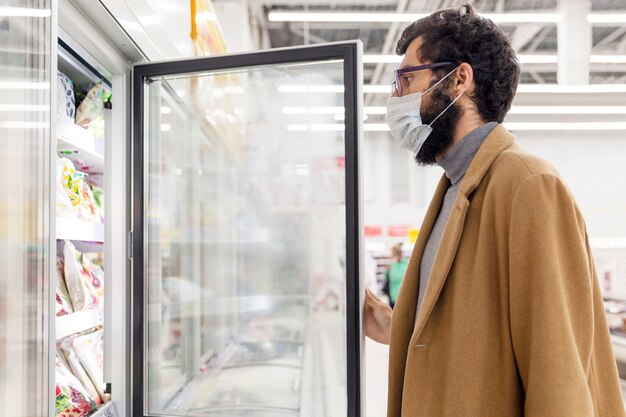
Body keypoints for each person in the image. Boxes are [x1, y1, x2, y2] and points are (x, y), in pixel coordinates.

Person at [363, 4, 625, 416]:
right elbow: (481, 337)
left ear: (459, 79)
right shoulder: (455, 187)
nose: (396, 96)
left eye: (407, 78)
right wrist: (399, 328)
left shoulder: (528, 185)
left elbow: (557, 372)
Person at [382, 244, 408, 308]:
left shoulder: (395, 266)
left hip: (397, 296)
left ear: (395, 254)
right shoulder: (405, 264)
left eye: (392, 254)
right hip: (398, 295)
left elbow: (392, 278)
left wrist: (388, 270)